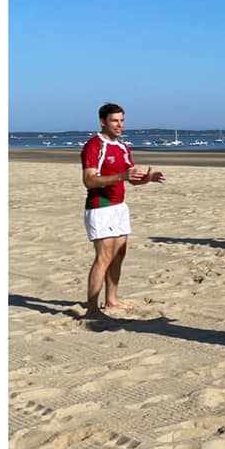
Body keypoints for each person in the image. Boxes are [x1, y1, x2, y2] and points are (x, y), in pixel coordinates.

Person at [79, 104, 164, 316]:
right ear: (103, 122)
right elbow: (89, 181)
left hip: (119, 207)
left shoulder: (123, 147)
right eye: (114, 120)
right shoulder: (94, 145)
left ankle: (111, 300)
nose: (120, 125)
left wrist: (146, 179)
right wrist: (120, 177)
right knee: (104, 257)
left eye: (122, 120)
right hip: (101, 207)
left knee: (119, 255)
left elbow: (132, 180)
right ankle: (91, 308)